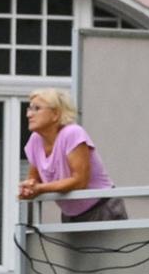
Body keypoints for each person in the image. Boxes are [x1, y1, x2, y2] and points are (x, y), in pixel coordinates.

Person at [16, 87, 126, 223]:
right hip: (70, 215)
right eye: (29, 108)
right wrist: (29, 187)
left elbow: (80, 181)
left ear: (55, 114)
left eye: (37, 108)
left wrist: (39, 189)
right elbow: (34, 179)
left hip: (102, 210)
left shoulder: (72, 133)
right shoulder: (35, 140)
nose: (29, 114)